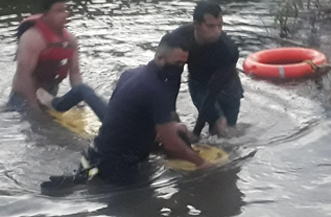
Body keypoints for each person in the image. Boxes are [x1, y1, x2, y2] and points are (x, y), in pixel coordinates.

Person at [43, 33, 217, 188]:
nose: (180, 68)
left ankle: (79, 181)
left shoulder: (132, 74)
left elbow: (133, 122)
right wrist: (201, 163)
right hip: (119, 171)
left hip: (95, 155)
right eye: (178, 63)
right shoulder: (156, 89)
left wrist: (174, 127)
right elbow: (170, 143)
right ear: (161, 58)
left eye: (183, 64)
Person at [8, 0, 107, 119]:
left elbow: (75, 73)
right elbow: (24, 75)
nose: (64, 14)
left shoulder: (70, 40)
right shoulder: (32, 38)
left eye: (65, 10)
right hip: (23, 100)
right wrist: (35, 109)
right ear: (46, 14)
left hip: (49, 95)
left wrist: (80, 104)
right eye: (58, 11)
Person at [171, 1, 243, 138]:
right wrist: (171, 114)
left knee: (227, 133)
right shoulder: (179, 39)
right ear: (196, 25)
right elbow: (171, 78)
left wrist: (196, 133)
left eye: (220, 25)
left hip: (228, 85)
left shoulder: (228, 50)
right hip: (198, 82)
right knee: (216, 123)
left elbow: (212, 94)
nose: (217, 31)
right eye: (210, 26)